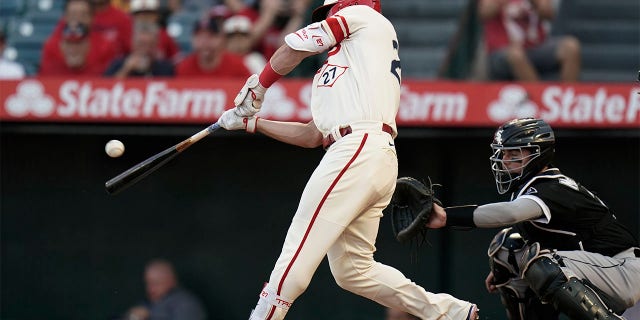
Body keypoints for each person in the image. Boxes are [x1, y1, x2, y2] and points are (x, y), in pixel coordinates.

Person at [216, 1, 480, 319]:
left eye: (330, 11)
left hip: (358, 147)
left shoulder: (362, 16)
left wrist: (259, 86)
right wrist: (251, 123)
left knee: (297, 253)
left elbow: (292, 47)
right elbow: (313, 134)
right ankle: (451, 313)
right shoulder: (349, 65)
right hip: (364, 151)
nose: (327, 18)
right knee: (353, 271)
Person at [425, 118, 640, 319]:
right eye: (504, 154)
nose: (505, 161)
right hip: (599, 270)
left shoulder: (552, 186)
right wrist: (509, 271)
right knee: (507, 249)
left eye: (514, 153)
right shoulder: (532, 187)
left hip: (624, 270)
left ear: (538, 154)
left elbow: (510, 213)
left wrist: (446, 216)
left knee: (544, 265)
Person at [478, 0, 581, 81]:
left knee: (571, 47)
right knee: (516, 55)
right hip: (501, 53)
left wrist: (536, 3)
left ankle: (566, 98)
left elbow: (549, 14)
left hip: (535, 48)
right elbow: (484, 12)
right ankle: (539, 99)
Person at [123, 259, 206, 320]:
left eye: (156, 283)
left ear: (171, 281)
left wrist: (150, 315)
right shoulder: (147, 302)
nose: (150, 288)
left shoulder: (186, 304)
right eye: (148, 283)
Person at [175, 14, 250, 77]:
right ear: (193, 39)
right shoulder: (184, 67)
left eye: (210, 36)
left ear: (221, 39)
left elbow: (252, 91)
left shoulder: (237, 65)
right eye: (200, 36)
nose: (204, 42)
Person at [39, 22, 116, 76]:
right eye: (69, 44)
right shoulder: (49, 72)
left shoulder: (102, 71)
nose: (73, 49)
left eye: (78, 44)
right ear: (62, 46)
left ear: (88, 46)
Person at [104, 21, 174, 78]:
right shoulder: (118, 64)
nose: (144, 49)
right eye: (140, 44)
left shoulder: (164, 67)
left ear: (155, 44)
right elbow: (105, 89)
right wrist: (126, 69)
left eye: (148, 44)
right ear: (133, 43)